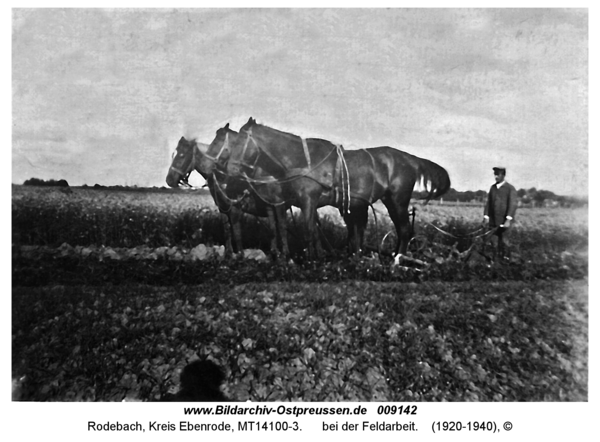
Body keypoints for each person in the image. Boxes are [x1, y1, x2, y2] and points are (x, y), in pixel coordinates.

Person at [482, 167, 518, 258]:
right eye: (495, 174)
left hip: (504, 222)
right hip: (493, 221)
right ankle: (495, 261)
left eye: (498, 174)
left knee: (504, 241)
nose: (496, 176)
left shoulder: (510, 188)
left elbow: (512, 205)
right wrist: (486, 217)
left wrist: (508, 220)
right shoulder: (493, 188)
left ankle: (506, 261)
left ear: (503, 175)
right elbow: (489, 203)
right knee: (493, 242)